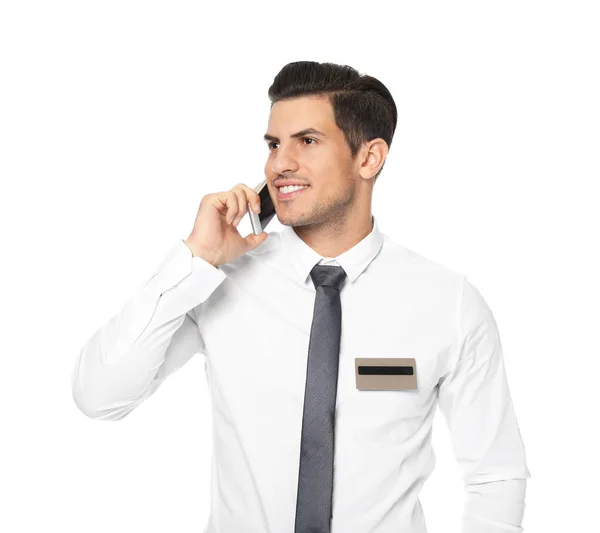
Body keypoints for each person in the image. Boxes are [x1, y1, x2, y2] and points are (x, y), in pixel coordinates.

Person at [72, 61, 531, 533]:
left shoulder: (447, 302)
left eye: (306, 141)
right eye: (274, 144)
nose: (278, 164)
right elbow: (99, 395)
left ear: (369, 158)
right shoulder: (216, 280)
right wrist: (195, 259)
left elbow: (496, 475)